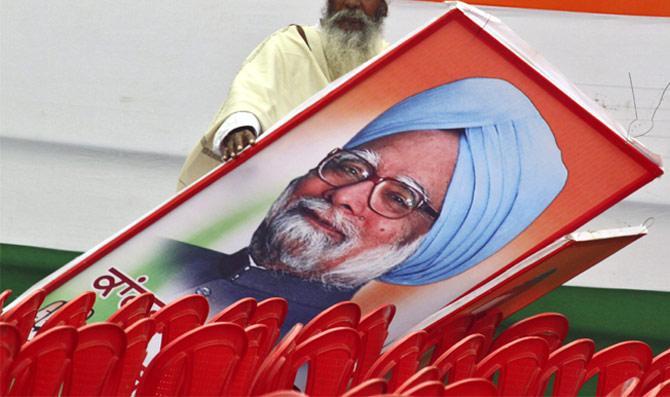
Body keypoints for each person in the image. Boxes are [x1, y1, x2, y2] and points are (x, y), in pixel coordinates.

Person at [165, 78, 568, 329]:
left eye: (398, 198)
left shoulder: (321, 360)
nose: (344, 196)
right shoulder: (161, 256)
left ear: (430, 247)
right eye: (351, 167)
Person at [177, 0, 406, 189]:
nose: (351, 2)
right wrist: (241, 128)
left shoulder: (394, 65)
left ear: (383, 7)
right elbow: (252, 93)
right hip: (272, 186)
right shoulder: (291, 44)